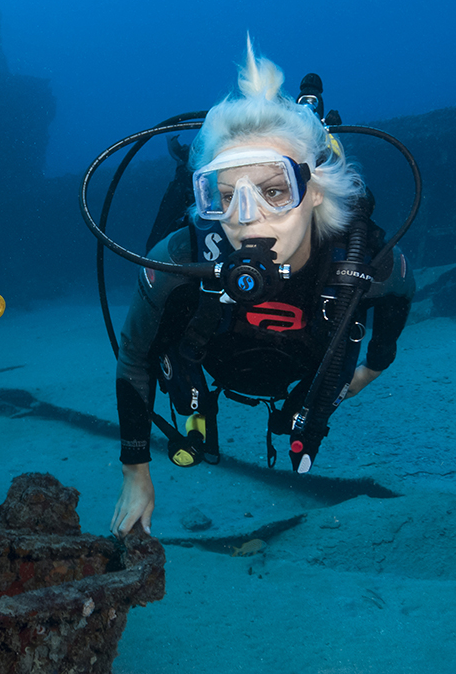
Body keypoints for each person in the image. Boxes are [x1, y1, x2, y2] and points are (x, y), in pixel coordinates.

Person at [110, 40, 415, 538]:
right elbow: (134, 356)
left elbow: (402, 293)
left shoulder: (364, 257)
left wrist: (372, 367)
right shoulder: (182, 256)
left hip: (303, 374)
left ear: (314, 191)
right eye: (224, 196)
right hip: (208, 364)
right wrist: (135, 475)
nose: (246, 217)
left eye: (275, 191)